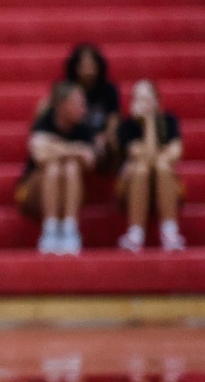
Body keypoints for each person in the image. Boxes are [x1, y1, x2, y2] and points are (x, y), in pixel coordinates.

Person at [19, 81, 97, 254]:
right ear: (63, 106)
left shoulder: (83, 127)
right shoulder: (44, 122)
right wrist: (74, 149)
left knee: (71, 167)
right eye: (78, 104)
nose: (84, 108)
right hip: (34, 194)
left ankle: (70, 229)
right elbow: (39, 153)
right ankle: (50, 229)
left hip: (69, 191)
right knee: (53, 167)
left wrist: (54, 147)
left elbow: (90, 160)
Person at [116, 79, 184, 252]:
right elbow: (146, 156)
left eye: (147, 98)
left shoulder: (169, 121)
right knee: (141, 169)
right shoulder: (127, 126)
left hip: (165, 187)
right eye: (139, 99)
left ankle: (169, 231)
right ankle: (135, 233)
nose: (144, 104)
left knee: (162, 166)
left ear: (157, 100)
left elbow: (175, 152)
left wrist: (152, 122)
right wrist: (148, 124)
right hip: (132, 189)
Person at [63, 43, 122, 168]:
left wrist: (105, 137)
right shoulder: (66, 90)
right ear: (75, 67)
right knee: (69, 165)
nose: (88, 69)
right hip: (75, 140)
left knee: (113, 142)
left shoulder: (109, 90)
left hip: (102, 143)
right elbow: (64, 125)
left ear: (99, 66)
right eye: (84, 65)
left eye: (91, 64)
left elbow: (114, 120)